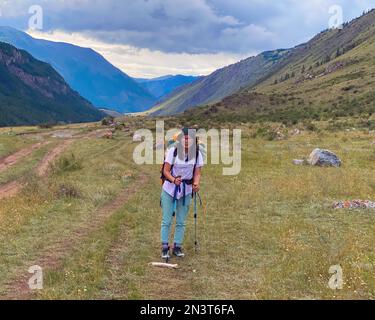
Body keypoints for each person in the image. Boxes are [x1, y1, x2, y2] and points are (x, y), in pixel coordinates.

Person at [160, 128, 203, 259]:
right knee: (166, 220)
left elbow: (197, 172)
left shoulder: (196, 153)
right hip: (170, 189)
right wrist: (173, 180)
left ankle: (177, 246)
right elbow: (165, 171)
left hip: (186, 190)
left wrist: (196, 183)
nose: (186, 140)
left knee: (181, 221)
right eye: (184, 138)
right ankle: (165, 247)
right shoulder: (173, 152)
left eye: (189, 138)